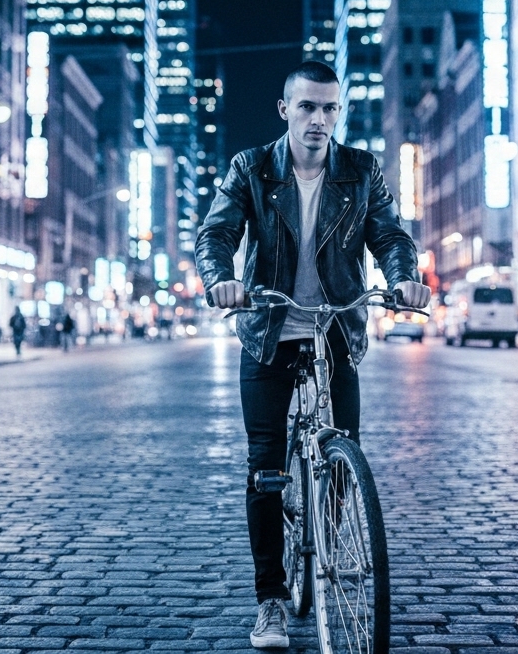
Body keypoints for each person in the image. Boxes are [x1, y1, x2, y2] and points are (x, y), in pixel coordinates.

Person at [195, 61, 431, 649]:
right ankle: (271, 600)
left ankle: (332, 531)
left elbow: (390, 236)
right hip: (269, 326)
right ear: (286, 110)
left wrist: (404, 277)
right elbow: (215, 233)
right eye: (307, 107)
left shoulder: (361, 169)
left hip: (336, 326)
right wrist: (221, 279)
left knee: (344, 445)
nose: (319, 119)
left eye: (330, 108)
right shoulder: (252, 168)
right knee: (267, 465)